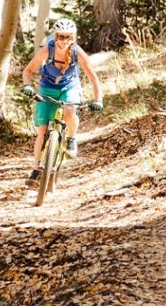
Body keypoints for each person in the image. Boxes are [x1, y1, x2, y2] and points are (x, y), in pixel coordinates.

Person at [21, 18, 104, 187]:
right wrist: (28, 86)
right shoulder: (47, 50)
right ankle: (36, 168)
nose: (64, 40)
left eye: (68, 37)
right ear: (55, 36)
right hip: (47, 87)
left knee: (69, 109)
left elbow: (94, 79)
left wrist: (99, 100)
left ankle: (71, 138)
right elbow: (27, 71)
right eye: (61, 36)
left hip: (70, 87)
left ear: (73, 37)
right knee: (42, 129)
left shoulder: (77, 53)